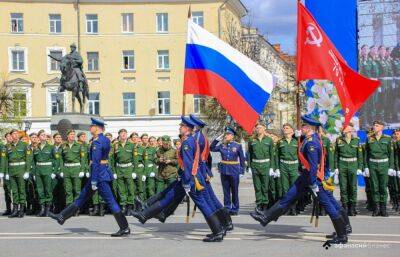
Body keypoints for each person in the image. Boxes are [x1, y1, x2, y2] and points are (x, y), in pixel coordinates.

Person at [250, 115, 350, 245]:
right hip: (305, 177)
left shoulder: (312, 142)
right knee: (288, 197)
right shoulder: (309, 139)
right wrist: (298, 137)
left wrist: (314, 183)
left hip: (312, 178)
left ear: (309, 128)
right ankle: (265, 217)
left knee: (328, 203)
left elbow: (313, 165)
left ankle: (343, 234)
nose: (301, 127)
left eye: (303, 126)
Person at [132, 116, 225, 242]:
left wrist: (187, 182)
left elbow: (188, 164)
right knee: (170, 196)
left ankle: (218, 231)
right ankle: (144, 215)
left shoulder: (187, 143)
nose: (179, 127)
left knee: (203, 204)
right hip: (191, 177)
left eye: (181, 126)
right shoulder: (191, 140)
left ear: (187, 129)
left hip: (191, 178)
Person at [49, 118, 131, 237]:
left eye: (92, 126)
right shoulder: (105, 139)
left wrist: (94, 180)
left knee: (111, 201)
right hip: (101, 173)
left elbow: (96, 162)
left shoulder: (97, 142)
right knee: (81, 197)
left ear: (97, 128)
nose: (90, 128)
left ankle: (125, 227)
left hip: (99, 176)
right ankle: (62, 216)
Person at [210, 127, 245, 216]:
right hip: (224, 171)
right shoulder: (222, 145)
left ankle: (235, 208)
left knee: (234, 191)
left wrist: (241, 171)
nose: (226, 136)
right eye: (225, 134)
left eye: (228, 134)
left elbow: (242, 159)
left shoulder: (238, 145)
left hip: (234, 171)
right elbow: (212, 148)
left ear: (232, 136)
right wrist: (217, 139)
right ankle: (227, 207)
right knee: (225, 191)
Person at [365, 121, 395, 217]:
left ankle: (383, 209)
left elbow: (391, 154)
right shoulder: (369, 139)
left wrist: (391, 167)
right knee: (374, 187)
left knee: (383, 187)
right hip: (373, 164)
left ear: (381, 127)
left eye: (377, 126)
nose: (374, 127)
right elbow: (366, 154)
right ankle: (376, 208)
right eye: (374, 125)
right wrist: (366, 167)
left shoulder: (387, 139)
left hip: (384, 165)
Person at [333, 124, 363, 216]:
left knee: (353, 187)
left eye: (347, 128)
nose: (345, 129)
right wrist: (336, 167)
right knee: (343, 187)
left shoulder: (356, 140)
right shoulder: (339, 140)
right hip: (342, 164)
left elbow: (360, 155)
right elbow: (336, 154)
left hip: (353, 164)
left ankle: (352, 207)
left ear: (351, 130)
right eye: (344, 128)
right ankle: (345, 207)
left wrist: (359, 167)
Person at [248, 123, 275, 212]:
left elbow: (272, 155)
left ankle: (265, 204)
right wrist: (249, 166)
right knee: (257, 186)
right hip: (255, 165)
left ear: (264, 128)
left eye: (260, 128)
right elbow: (249, 154)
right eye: (257, 128)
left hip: (266, 165)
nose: (258, 129)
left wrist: (272, 167)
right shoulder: (252, 140)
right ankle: (259, 204)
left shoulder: (269, 140)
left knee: (265, 186)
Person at [6, 129, 33, 218]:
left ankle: (21, 210)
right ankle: (15, 209)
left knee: (21, 190)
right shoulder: (8, 146)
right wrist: (6, 172)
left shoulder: (25, 145)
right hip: (12, 170)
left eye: (17, 133)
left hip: (21, 169)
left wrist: (27, 171)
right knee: (14, 191)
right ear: (11, 136)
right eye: (14, 134)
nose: (16, 135)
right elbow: (5, 160)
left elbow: (29, 159)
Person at [32, 130, 59, 217]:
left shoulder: (51, 147)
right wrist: (34, 173)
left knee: (48, 190)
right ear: (39, 137)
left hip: (48, 170)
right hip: (38, 171)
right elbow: (33, 161)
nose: (44, 136)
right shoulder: (35, 148)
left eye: (44, 135)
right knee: (40, 190)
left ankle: (48, 209)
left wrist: (54, 172)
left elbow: (57, 160)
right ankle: (42, 209)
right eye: (42, 135)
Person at [59, 130, 87, 213]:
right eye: (70, 134)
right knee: (68, 190)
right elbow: (61, 159)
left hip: (76, 169)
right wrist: (61, 169)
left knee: (77, 190)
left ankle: (76, 208)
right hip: (67, 169)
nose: (72, 136)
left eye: (73, 135)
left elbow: (83, 159)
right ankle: (69, 207)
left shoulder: (79, 145)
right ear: (67, 136)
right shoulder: (63, 146)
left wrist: (82, 170)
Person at [275, 124, 299, 215]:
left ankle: (294, 207)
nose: (285, 129)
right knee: (285, 188)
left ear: (292, 131)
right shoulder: (280, 142)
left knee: (294, 188)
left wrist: (300, 167)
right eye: (284, 128)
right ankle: (287, 208)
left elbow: (300, 155)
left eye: (287, 128)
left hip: (294, 166)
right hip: (283, 165)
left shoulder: (296, 141)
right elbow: (277, 156)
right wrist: (277, 168)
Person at [113, 129, 136, 215]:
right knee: (121, 189)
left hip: (129, 168)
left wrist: (134, 171)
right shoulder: (115, 145)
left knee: (130, 188)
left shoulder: (132, 145)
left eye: (125, 133)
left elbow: (135, 159)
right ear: (119, 135)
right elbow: (113, 159)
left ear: (126, 135)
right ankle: (123, 206)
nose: (123, 135)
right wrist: (114, 171)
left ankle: (130, 206)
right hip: (119, 169)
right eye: (122, 134)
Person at [0, 132, 12, 216]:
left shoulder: (16, 146)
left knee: (17, 191)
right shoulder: (3, 147)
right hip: (5, 171)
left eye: (10, 136)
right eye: (8, 136)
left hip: (15, 170)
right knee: (7, 190)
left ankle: (21, 208)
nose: (10, 138)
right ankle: (8, 209)